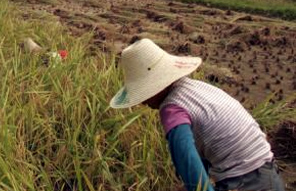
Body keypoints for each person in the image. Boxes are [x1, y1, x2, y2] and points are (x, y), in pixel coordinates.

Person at [110, 38, 284, 191]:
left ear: (157, 86)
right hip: (268, 173)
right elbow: (204, 150)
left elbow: (187, 160)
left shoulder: (171, 109)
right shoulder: (197, 88)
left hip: (245, 181)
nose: (142, 101)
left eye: (143, 92)